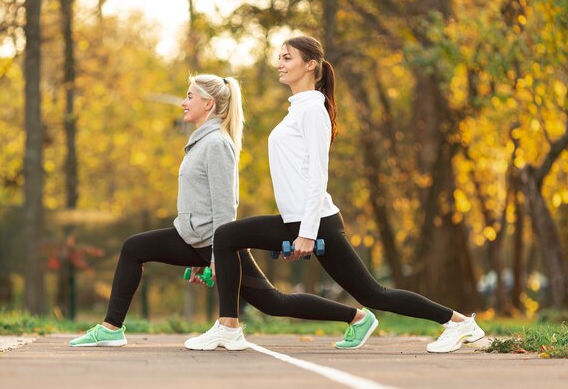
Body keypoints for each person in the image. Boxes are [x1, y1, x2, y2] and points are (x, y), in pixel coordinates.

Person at [185, 37, 485, 354]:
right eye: (279, 58)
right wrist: (297, 230)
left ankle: (459, 323)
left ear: (310, 64)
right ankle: (228, 327)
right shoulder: (298, 109)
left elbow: (317, 176)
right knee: (227, 236)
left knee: (374, 294)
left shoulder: (313, 111)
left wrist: (307, 234)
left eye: (287, 58)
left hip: (317, 222)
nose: (280, 63)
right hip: (296, 220)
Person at [70, 73, 378, 349]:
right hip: (196, 239)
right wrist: (198, 255)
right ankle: (111, 328)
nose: (183, 102)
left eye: (189, 96)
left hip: (211, 241)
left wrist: (217, 256)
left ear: (209, 104)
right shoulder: (202, 141)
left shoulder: (217, 144)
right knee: (136, 248)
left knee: (273, 302)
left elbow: (225, 204)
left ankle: (356, 316)